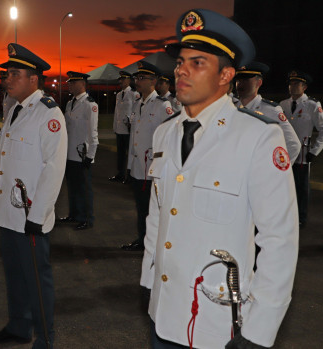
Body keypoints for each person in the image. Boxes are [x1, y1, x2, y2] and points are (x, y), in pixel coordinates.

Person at [141, 9, 299, 348]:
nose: (181, 69)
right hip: (164, 311)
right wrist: (147, 281)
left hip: (217, 321)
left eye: (197, 62)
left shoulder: (257, 137)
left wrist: (259, 329)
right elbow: (157, 216)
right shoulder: (164, 134)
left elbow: (280, 240)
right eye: (181, 60)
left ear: (226, 74)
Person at [0, 43, 67, 348]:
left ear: (33, 79)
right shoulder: (16, 110)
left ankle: (45, 340)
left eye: (14, 74)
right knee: (15, 277)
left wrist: (38, 216)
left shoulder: (48, 114)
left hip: (29, 217)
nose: (7, 79)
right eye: (6, 73)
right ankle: (19, 326)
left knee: (36, 280)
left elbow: (54, 168)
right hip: (9, 213)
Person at [121, 61, 174, 252]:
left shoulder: (162, 105)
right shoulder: (137, 104)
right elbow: (134, 135)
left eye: (142, 78)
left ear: (153, 82)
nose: (138, 81)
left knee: (154, 210)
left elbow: (171, 136)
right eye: (137, 78)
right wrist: (128, 165)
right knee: (141, 208)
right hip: (138, 167)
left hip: (153, 168)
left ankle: (155, 244)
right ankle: (143, 239)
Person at [280, 71, 323, 227]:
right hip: (285, 154)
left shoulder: (312, 105)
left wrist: (315, 151)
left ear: (304, 87)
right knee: (284, 187)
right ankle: (285, 216)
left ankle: (301, 218)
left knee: (301, 188)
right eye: (291, 84)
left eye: (296, 84)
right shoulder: (283, 104)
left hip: (302, 155)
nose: (292, 87)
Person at [234, 62, 301, 164]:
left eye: (246, 80)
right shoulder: (231, 108)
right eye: (238, 80)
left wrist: (275, 172)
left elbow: (293, 145)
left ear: (259, 83)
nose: (240, 83)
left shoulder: (270, 110)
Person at [57, 71, 99, 230]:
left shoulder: (90, 104)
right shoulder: (70, 103)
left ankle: (87, 218)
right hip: (69, 153)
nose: (70, 85)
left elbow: (93, 132)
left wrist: (90, 156)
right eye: (69, 82)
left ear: (82, 84)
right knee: (73, 187)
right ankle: (74, 214)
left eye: (73, 82)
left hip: (82, 154)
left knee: (84, 189)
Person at [109, 71, 135, 183]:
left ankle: (130, 176)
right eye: (120, 79)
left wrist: (130, 119)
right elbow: (116, 112)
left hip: (129, 129)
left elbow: (136, 110)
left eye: (123, 79)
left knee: (130, 154)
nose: (121, 81)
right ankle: (120, 174)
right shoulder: (119, 94)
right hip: (120, 129)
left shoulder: (134, 94)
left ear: (129, 80)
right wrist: (115, 127)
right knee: (120, 154)